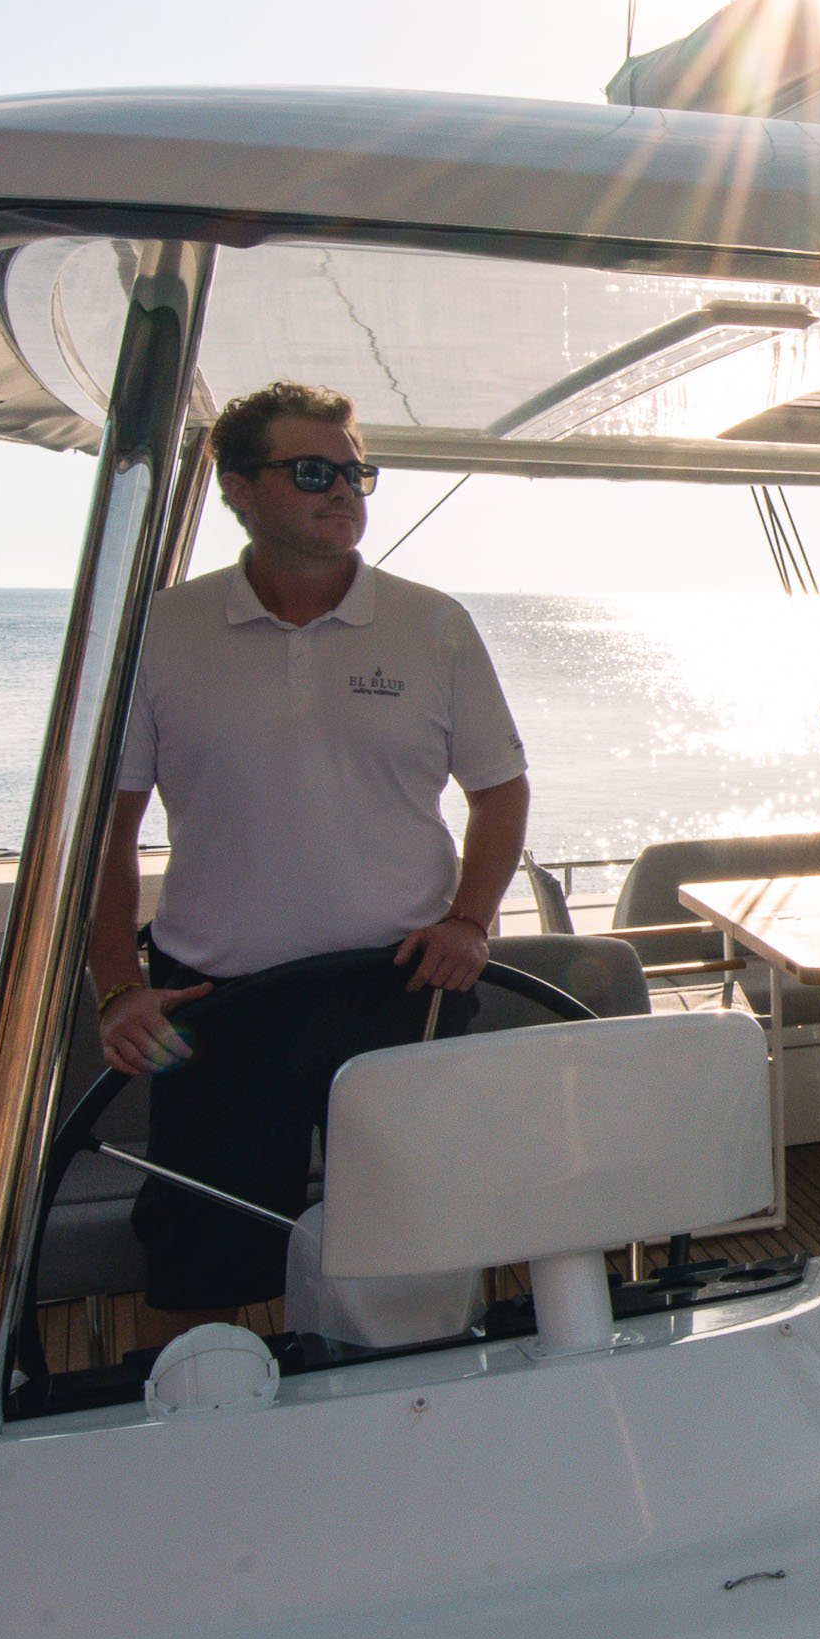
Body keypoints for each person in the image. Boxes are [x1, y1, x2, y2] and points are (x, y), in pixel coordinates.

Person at [88, 379, 530, 1331]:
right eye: (313, 472)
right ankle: (208, 1408)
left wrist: (470, 920)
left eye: (356, 473)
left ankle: (414, 1399)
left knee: (421, 1232)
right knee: (202, 1257)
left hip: (404, 987)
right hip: (213, 1002)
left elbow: (500, 791)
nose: (345, 493)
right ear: (238, 488)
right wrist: (118, 986)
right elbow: (106, 833)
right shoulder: (162, 632)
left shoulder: (434, 624)